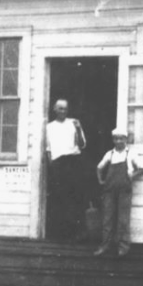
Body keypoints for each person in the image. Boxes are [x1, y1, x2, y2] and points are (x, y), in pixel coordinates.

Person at [94, 128, 143, 257]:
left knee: (123, 219)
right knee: (107, 219)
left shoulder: (131, 154)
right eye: (116, 139)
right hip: (109, 191)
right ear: (113, 140)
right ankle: (105, 246)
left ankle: (123, 247)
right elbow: (99, 167)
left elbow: (142, 169)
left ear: (126, 140)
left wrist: (132, 176)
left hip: (124, 191)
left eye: (121, 138)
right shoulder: (109, 154)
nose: (118, 141)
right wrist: (101, 180)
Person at [45, 99, 86, 241]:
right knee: (60, 198)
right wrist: (52, 168)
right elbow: (49, 150)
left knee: (75, 197)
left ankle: (77, 233)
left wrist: (79, 128)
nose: (63, 111)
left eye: (66, 109)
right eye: (60, 109)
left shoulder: (73, 123)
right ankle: (62, 234)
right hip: (58, 164)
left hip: (73, 162)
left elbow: (82, 144)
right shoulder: (49, 127)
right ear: (55, 110)